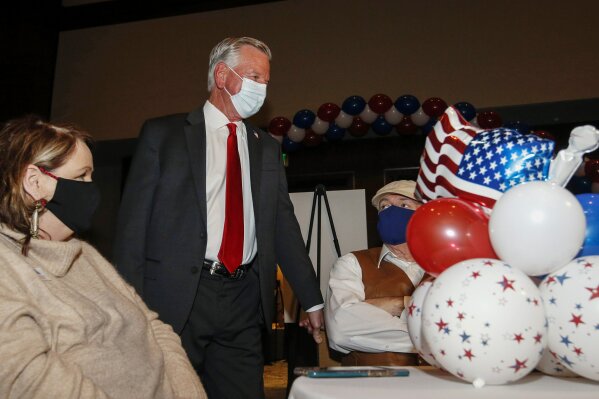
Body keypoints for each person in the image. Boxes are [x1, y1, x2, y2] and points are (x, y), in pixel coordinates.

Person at [113, 37, 324, 399]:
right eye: (254, 76)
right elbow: (132, 230)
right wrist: (127, 305)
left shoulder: (266, 148)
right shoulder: (164, 136)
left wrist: (312, 299)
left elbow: (283, 227)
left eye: (266, 81)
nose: (262, 88)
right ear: (223, 75)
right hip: (176, 298)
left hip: (243, 297)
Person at [0, 116, 206, 398]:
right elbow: (29, 378)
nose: (92, 188)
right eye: (81, 176)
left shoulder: (85, 253)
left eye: (92, 176)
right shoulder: (6, 266)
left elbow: (154, 327)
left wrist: (188, 392)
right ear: (35, 183)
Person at [325, 180, 429, 366]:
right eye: (385, 206)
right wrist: (405, 305)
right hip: (376, 387)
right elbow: (342, 329)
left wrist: (371, 310)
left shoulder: (448, 267)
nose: (391, 211)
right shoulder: (352, 264)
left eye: (404, 204)